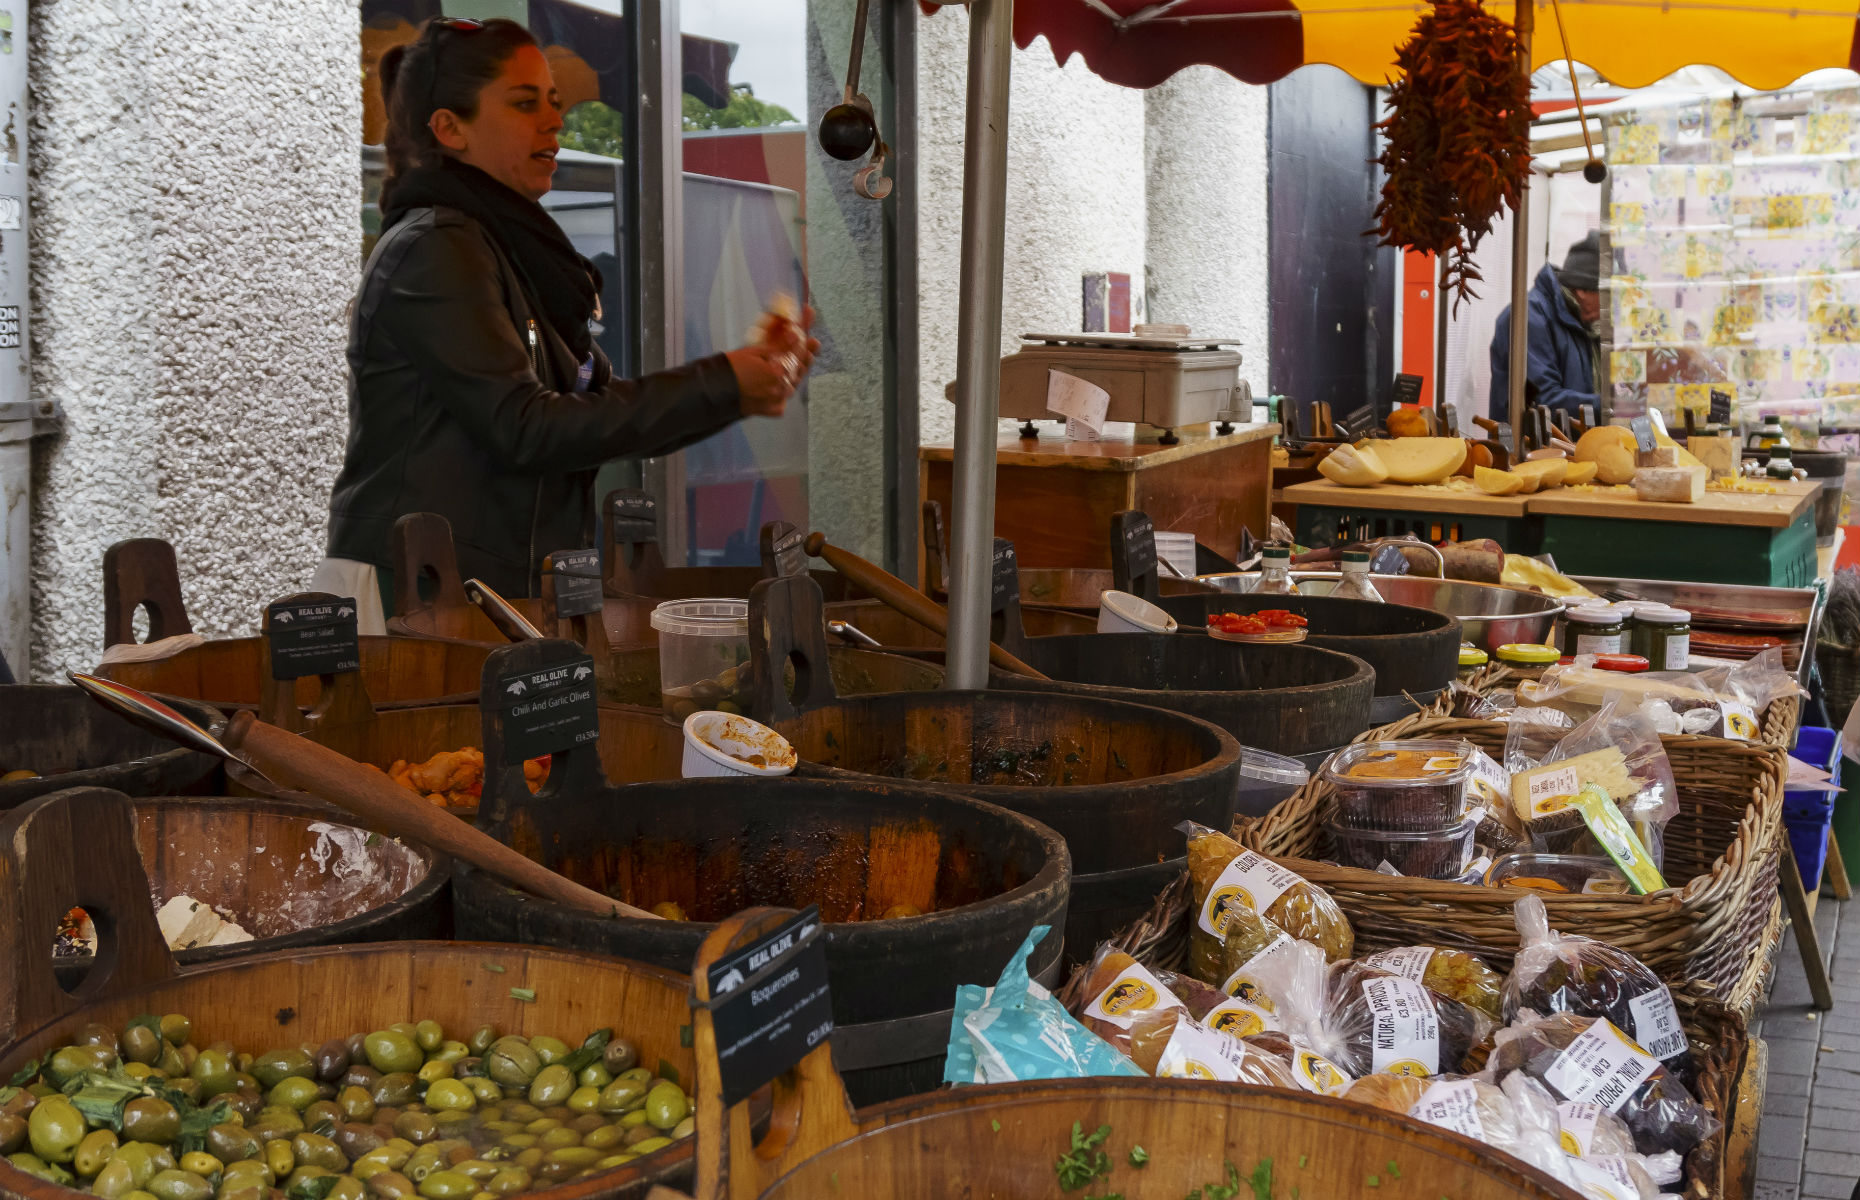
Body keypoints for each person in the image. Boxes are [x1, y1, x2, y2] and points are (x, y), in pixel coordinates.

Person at [319, 17, 814, 620]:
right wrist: (726, 382)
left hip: (484, 593)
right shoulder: (436, 246)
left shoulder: (510, 248)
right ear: (450, 128)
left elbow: (599, 411)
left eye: (554, 103)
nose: (555, 120)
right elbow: (527, 428)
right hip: (417, 600)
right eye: (525, 104)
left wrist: (740, 381)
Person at [1488, 230, 1602, 422]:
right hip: (1529, 450)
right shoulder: (1526, 319)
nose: (1613, 305)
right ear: (1582, 291)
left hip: (1577, 449)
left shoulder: (1586, 322)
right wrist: (1612, 405)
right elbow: (1543, 402)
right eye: (1608, 295)